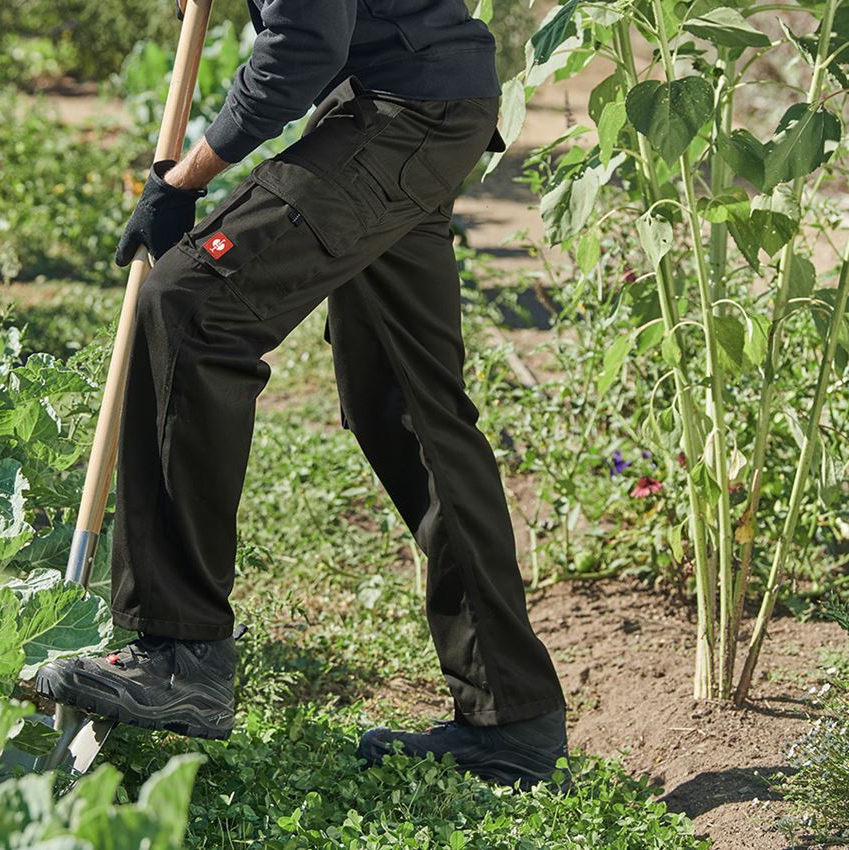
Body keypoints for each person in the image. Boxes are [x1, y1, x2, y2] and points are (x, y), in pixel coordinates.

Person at [36, 0, 568, 789]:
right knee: (410, 409)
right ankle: (512, 720)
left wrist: (186, 179)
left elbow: (304, 44)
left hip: (399, 111)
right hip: (422, 98)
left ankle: (181, 652)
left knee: (188, 306)